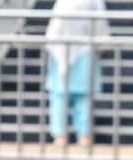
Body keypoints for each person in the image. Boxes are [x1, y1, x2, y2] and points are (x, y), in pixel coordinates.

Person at [45, 0, 106, 150]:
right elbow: (100, 26)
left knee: (59, 97)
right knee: (83, 98)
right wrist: (102, 44)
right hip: (85, 49)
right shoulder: (94, 3)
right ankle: (84, 135)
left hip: (63, 51)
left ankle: (60, 135)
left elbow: (55, 28)